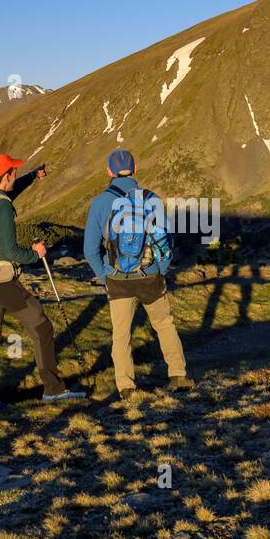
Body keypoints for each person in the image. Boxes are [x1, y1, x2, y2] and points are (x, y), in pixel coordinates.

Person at [0, 153, 85, 412]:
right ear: (7, 176)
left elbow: (11, 192)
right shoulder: (1, 206)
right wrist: (36, 253)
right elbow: (11, 251)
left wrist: (33, 176)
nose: (15, 174)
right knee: (42, 327)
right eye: (13, 171)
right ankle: (54, 390)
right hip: (2, 281)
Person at [83, 148, 193, 400]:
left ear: (108, 171)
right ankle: (178, 375)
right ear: (135, 169)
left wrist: (106, 276)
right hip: (150, 276)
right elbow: (165, 244)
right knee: (164, 325)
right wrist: (158, 271)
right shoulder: (151, 199)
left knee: (121, 336)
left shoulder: (100, 203)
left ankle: (127, 387)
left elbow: (90, 250)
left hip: (117, 279)